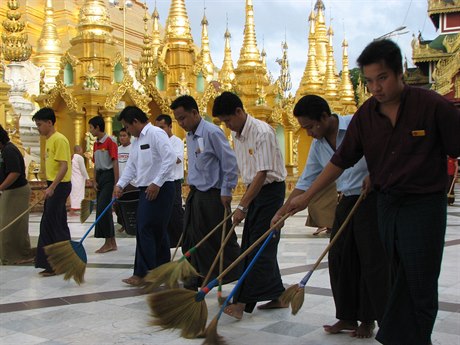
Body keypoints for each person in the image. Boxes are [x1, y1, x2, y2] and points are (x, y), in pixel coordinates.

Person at [276, 39, 460, 345]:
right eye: (370, 80)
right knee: (393, 273)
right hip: (386, 206)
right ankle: (396, 334)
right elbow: (340, 160)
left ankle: (414, 338)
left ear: (401, 71)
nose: (376, 87)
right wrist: (303, 199)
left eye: (383, 78)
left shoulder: (432, 106)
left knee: (419, 278)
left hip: (423, 206)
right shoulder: (366, 117)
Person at [272, 95, 389, 338]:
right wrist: (283, 211)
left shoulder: (357, 124)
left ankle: (368, 319)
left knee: (369, 260)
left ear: (325, 117)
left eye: (310, 127)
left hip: (371, 198)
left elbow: (384, 150)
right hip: (347, 200)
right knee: (339, 258)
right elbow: (307, 180)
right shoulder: (318, 146)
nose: (308, 133)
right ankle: (346, 316)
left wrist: (376, 173)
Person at [212, 91, 287, 320]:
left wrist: (242, 206)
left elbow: (262, 174)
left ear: (239, 111)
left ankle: (243, 303)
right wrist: (229, 190)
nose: (228, 126)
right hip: (255, 191)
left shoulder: (262, 132)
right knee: (257, 242)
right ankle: (278, 295)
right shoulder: (238, 134)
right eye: (223, 122)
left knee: (257, 247)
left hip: (270, 192)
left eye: (228, 120)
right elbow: (241, 167)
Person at [171, 95, 241, 290]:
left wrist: (227, 189)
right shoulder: (190, 135)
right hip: (196, 194)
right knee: (191, 237)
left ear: (195, 113)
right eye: (177, 120)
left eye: (183, 118)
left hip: (214, 195)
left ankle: (235, 272)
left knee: (217, 238)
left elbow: (229, 162)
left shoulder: (212, 132)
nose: (181, 123)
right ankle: (195, 275)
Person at [114, 106, 176, 286]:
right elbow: (132, 166)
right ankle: (162, 269)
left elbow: (170, 158)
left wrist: (157, 182)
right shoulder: (136, 140)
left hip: (161, 188)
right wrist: (120, 185)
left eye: (127, 126)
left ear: (135, 122)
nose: (126, 130)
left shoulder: (156, 133)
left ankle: (143, 272)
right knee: (154, 229)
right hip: (145, 189)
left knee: (145, 228)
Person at [32, 107, 72, 276]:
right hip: (54, 184)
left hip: (60, 185)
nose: (38, 128)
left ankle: (55, 264)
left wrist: (53, 187)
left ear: (50, 123)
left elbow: (64, 165)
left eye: (40, 124)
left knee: (51, 223)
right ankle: (63, 261)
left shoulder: (59, 140)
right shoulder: (49, 139)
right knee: (57, 223)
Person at [0, 125, 33, 265]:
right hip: (9, 191)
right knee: (7, 225)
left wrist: (0, 187)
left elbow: (15, 172)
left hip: (17, 191)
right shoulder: (4, 151)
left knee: (12, 226)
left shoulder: (9, 150)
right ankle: (10, 254)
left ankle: (19, 255)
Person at [88, 116, 119, 253]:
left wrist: (116, 184)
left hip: (109, 176)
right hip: (100, 177)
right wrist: (94, 180)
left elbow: (115, 162)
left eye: (91, 127)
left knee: (103, 208)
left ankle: (109, 241)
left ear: (97, 127)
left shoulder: (110, 141)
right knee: (101, 209)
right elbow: (95, 164)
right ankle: (110, 241)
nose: (89, 130)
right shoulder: (95, 144)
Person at [154, 114, 184, 248]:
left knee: (175, 211)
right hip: (160, 181)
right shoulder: (157, 141)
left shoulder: (176, 141)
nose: (160, 130)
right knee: (164, 212)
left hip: (174, 180)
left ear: (170, 126)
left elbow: (177, 159)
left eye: (162, 127)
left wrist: (165, 156)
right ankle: (169, 240)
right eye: (157, 128)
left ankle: (182, 238)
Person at [114, 127, 137, 233]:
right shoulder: (118, 149)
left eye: (124, 136)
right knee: (118, 204)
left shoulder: (133, 148)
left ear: (129, 136)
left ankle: (133, 224)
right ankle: (123, 223)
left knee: (130, 205)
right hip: (121, 181)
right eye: (121, 136)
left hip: (132, 182)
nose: (122, 138)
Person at [69, 145, 89, 217]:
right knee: (78, 194)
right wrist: (87, 178)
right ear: (80, 150)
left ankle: (74, 210)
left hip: (73, 178)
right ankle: (73, 211)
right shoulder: (79, 158)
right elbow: (83, 169)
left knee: (74, 194)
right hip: (78, 179)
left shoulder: (72, 157)